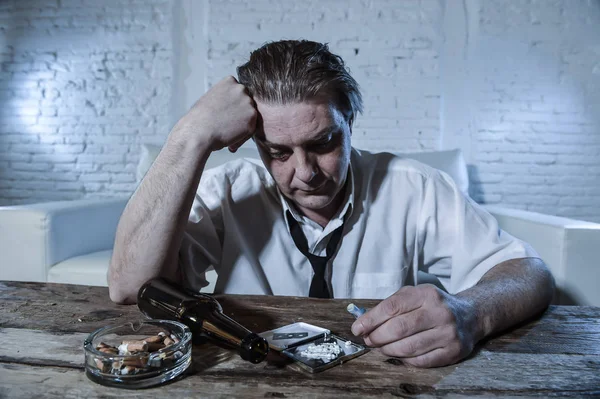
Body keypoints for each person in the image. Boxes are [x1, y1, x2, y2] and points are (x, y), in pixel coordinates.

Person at [108, 40, 554, 368]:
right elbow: (130, 287)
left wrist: (471, 312)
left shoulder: (414, 187)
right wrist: (191, 135)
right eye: (278, 152)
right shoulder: (228, 188)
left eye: (323, 143)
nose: (304, 172)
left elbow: (528, 272)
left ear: (350, 122)